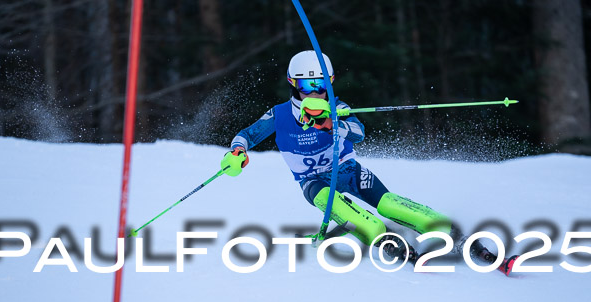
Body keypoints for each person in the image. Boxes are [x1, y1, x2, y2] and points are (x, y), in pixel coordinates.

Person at [221, 50, 517, 274]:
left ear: (332, 82)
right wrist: (237, 151)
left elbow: (359, 132)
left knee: (390, 204)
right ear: (292, 83)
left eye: (322, 83)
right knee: (346, 210)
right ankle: (394, 245)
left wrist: (332, 124)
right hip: (313, 182)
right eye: (307, 85)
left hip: (348, 171)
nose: (315, 92)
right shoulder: (280, 114)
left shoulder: (338, 107)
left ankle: (458, 238)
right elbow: (247, 135)